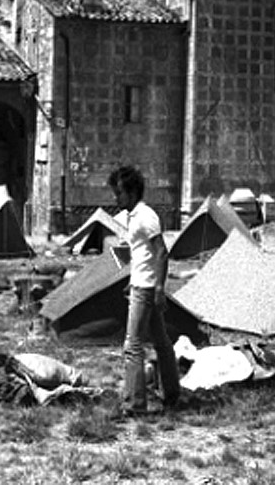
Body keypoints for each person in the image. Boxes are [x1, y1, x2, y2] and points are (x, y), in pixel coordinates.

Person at [108, 164, 181, 417]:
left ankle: (134, 404)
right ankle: (172, 394)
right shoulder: (133, 217)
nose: (115, 198)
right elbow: (143, 255)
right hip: (141, 284)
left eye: (119, 193)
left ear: (131, 192)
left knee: (133, 345)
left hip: (147, 289)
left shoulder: (146, 216)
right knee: (161, 342)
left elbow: (161, 252)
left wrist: (160, 288)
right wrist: (133, 278)